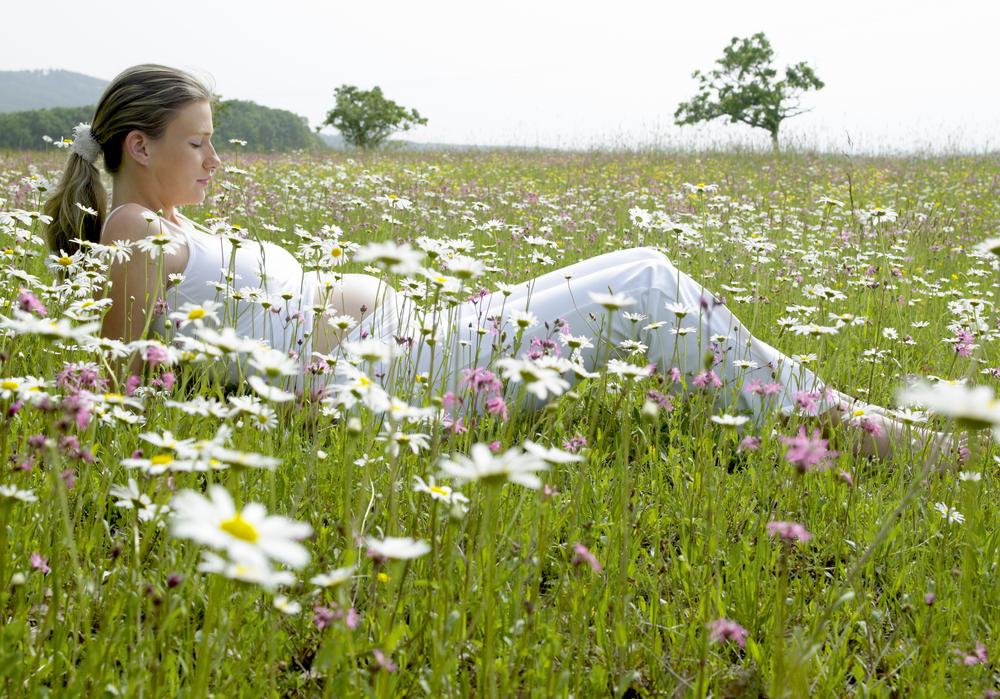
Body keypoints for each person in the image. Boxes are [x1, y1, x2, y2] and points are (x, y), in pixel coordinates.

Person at [42, 64, 958, 465]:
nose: (215, 161)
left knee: (647, 280)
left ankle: (856, 418)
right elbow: (110, 382)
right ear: (140, 145)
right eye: (198, 143)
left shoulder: (153, 224)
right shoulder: (132, 226)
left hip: (410, 344)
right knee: (645, 283)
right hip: (395, 376)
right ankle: (867, 433)